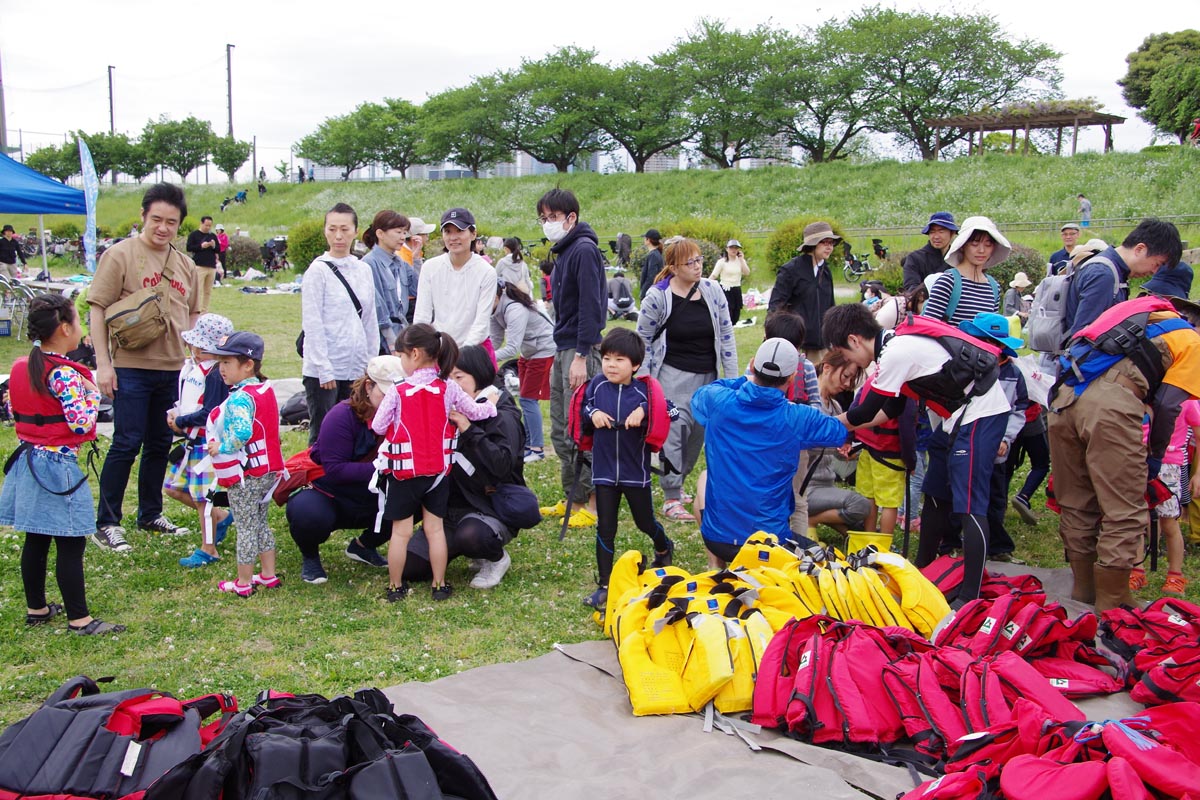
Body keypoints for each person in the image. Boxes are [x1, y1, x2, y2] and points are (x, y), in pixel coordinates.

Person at [824, 301, 1011, 604]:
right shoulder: (895, 348)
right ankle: (926, 570)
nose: (853, 363)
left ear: (855, 340)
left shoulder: (897, 352)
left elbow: (865, 411)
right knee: (936, 490)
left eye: (847, 355)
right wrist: (841, 428)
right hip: (959, 420)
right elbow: (890, 409)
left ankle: (969, 596)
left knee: (970, 506)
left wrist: (826, 426)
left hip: (981, 415)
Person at [1048, 295, 1200, 610]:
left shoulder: (1127, 319)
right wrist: (1154, 458)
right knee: (1126, 509)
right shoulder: (1190, 341)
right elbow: (1169, 404)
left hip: (1063, 399)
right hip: (1110, 406)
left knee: (1077, 503)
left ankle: (1084, 592)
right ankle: (1114, 602)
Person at [0, 295, 124, 634]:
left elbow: (14, 412)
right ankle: (80, 619)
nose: (81, 329)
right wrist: (92, 393)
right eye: (78, 322)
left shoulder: (22, 366)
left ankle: (36, 608)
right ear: (66, 328)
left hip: (27, 460)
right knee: (71, 542)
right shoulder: (65, 374)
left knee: (36, 538)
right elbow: (81, 423)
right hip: (56, 466)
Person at [89, 183, 201, 552]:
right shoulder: (119, 255)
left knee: (159, 441)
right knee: (126, 441)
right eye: (156, 219)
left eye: (171, 222)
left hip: (172, 368)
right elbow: (97, 308)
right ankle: (107, 521)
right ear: (142, 216)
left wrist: (197, 364)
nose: (163, 228)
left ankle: (150, 514)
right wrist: (104, 365)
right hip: (130, 366)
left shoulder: (185, 264)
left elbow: (195, 314)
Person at [692, 338, 849, 565]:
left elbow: (703, 393)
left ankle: (716, 566)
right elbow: (839, 430)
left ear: (753, 365)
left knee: (704, 477)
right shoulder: (798, 417)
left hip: (718, 540)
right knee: (816, 554)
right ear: (792, 378)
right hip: (768, 545)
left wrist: (743, 381)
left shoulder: (718, 401)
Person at [372, 325, 497, 602]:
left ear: (414, 354)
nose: (401, 362)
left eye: (401, 356)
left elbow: (379, 425)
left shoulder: (398, 390)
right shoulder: (449, 388)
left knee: (400, 533)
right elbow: (475, 412)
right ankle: (439, 585)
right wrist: (491, 404)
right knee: (435, 530)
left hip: (404, 473)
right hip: (438, 473)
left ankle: (395, 587)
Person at [401, 345, 527, 590]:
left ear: (479, 375)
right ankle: (460, 546)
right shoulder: (447, 406)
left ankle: (495, 557)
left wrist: (469, 430)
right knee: (410, 567)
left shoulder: (502, 414)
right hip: (450, 510)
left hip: (489, 506)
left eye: (459, 377)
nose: (453, 384)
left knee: (472, 536)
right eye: (448, 377)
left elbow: (501, 466)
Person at [638, 236, 738, 522]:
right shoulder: (657, 297)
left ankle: (679, 482)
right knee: (674, 434)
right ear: (673, 266)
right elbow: (642, 340)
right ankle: (670, 495)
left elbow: (727, 335)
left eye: (699, 260)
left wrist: (730, 380)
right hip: (671, 376)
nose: (697, 266)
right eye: (690, 262)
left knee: (697, 435)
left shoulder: (712, 291)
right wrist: (645, 382)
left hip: (708, 377)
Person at [580, 328, 677, 609]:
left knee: (644, 522)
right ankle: (605, 585)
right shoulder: (596, 386)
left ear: (635, 365)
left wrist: (646, 410)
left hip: (636, 473)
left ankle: (663, 546)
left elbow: (673, 411)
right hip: (604, 471)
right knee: (605, 527)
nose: (611, 365)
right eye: (607, 358)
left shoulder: (645, 391)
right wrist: (594, 413)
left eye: (619, 359)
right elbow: (583, 408)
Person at [286, 356, 404, 584]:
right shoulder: (341, 416)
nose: (392, 401)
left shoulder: (402, 417)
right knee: (307, 514)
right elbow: (335, 470)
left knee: (416, 498)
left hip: (374, 494)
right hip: (330, 494)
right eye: (387, 394)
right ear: (368, 386)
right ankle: (310, 557)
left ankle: (363, 547)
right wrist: (382, 468)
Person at [537, 188, 607, 528]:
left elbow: (591, 308)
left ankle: (593, 503)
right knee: (562, 427)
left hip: (581, 349)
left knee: (584, 425)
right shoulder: (563, 251)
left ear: (571, 218)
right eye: (544, 218)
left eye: (554, 217)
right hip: (562, 345)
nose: (549, 224)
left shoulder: (583, 250)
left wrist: (582, 354)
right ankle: (573, 497)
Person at [206, 332, 284, 597]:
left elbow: (241, 434)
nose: (221, 368)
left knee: (246, 527)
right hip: (271, 470)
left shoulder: (240, 398)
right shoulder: (265, 389)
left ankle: (243, 582)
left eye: (227, 362)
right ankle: (268, 575)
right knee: (261, 521)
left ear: (247, 364)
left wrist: (221, 446)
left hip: (247, 473)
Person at [300, 203, 378, 446]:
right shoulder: (317, 270)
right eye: (332, 229)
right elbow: (312, 321)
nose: (338, 236)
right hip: (325, 368)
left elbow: (369, 320)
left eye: (344, 229)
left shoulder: (363, 269)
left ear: (355, 231)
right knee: (323, 433)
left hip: (355, 365)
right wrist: (323, 366)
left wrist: (370, 364)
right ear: (325, 231)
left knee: (353, 429)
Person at [958, 312, 1030, 563]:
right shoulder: (964, 367)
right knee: (964, 498)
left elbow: (1019, 409)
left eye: (998, 345)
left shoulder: (1013, 374)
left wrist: (1006, 439)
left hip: (998, 452)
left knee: (995, 499)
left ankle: (996, 547)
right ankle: (961, 541)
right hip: (968, 447)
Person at [169, 314, 235, 568]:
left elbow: (210, 412)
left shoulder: (217, 375)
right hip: (191, 442)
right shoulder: (197, 370)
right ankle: (222, 517)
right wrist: (177, 415)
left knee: (204, 500)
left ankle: (209, 549)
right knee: (173, 488)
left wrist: (183, 420)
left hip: (206, 445)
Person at [1063, 219, 1183, 338]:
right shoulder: (1103, 275)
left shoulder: (1115, 271)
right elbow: (1083, 335)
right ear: (1140, 249)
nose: (1154, 272)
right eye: (1157, 264)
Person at [413, 208, 496, 351]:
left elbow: (481, 322)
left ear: (473, 234)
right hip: (440, 348)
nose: (453, 237)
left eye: (460, 231)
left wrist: (463, 354)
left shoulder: (486, 272)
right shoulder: (430, 267)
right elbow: (422, 315)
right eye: (448, 232)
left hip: (474, 349)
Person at [490, 280, 555, 462]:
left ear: (495, 296)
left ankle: (536, 448)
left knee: (528, 399)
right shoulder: (493, 309)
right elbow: (493, 342)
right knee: (524, 398)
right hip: (529, 351)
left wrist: (485, 358)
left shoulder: (514, 309)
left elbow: (511, 348)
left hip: (544, 349)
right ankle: (528, 445)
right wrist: (481, 353)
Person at [806, 351, 870, 535]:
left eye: (851, 380)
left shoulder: (835, 406)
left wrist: (844, 451)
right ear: (827, 368)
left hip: (826, 484)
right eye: (846, 376)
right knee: (860, 505)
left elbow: (831, 452)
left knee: (861, 521)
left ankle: (850, 533)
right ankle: (811, 519)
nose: (847, 384)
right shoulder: (808, 406)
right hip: (807, 487)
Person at [768, 221, 838, 363]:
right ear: (812, 245)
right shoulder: (790, 270)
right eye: (824, 242)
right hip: (797, 343)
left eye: (831, 243)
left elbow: (831, 306)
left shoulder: (826, 271)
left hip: (823, 342)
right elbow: (775, 306)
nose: (829, 247)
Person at [922, 216, 1010, 325]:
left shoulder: (993, 287)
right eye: (974, 244)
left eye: (988, 244)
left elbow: (991, 328)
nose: (981, 250)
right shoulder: (948, 281)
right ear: (962, 246)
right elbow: (928, 325)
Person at [361, 210, 412, 355]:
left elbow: (418, 287)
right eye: (398, 232)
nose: (402, 237)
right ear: (380, 234)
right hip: (382, 339)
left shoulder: (400, 263)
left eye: (404, 232)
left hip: (401, 333)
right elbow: (377, 306)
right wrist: (391, 340)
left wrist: (414, 257)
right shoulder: (369, 263)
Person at [901, 212, 957, 291]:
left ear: (952, 233)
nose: (936, 237)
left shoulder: (958, 258)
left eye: (941, 232)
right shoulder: (915, 258)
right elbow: (911, 288)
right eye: (932, 232)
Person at [710, 240, 751, 324]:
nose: (734, 250)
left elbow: (747, 272)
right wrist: (705, 284)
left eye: (736, 248)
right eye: (731, 248)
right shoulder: (722, 262)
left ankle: (733, 325)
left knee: (736, 312)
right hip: (725, 289)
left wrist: (742, 260)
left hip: (736, 288)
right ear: (727, 249)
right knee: (728, 311)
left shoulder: (740, 261)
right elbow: (714, 275)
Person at [186, 216, 220, 314]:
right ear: (201, 223)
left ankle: (205, 310)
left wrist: (213, 245)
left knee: (208, 291)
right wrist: (201, 246)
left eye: (210, 226)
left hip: (211, 266)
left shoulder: (213, 236)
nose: (208, 227)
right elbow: (189, 247)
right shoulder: (194, 235)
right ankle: (196, 309)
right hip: (199, 266)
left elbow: (218, 249)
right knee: (197, 290)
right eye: (206, 225)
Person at [639, 229, 662, 302]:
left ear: (648, 240)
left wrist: (643, 293)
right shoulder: (656, 253)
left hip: (650, 292)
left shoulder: (653, 255)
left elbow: (651, 276)